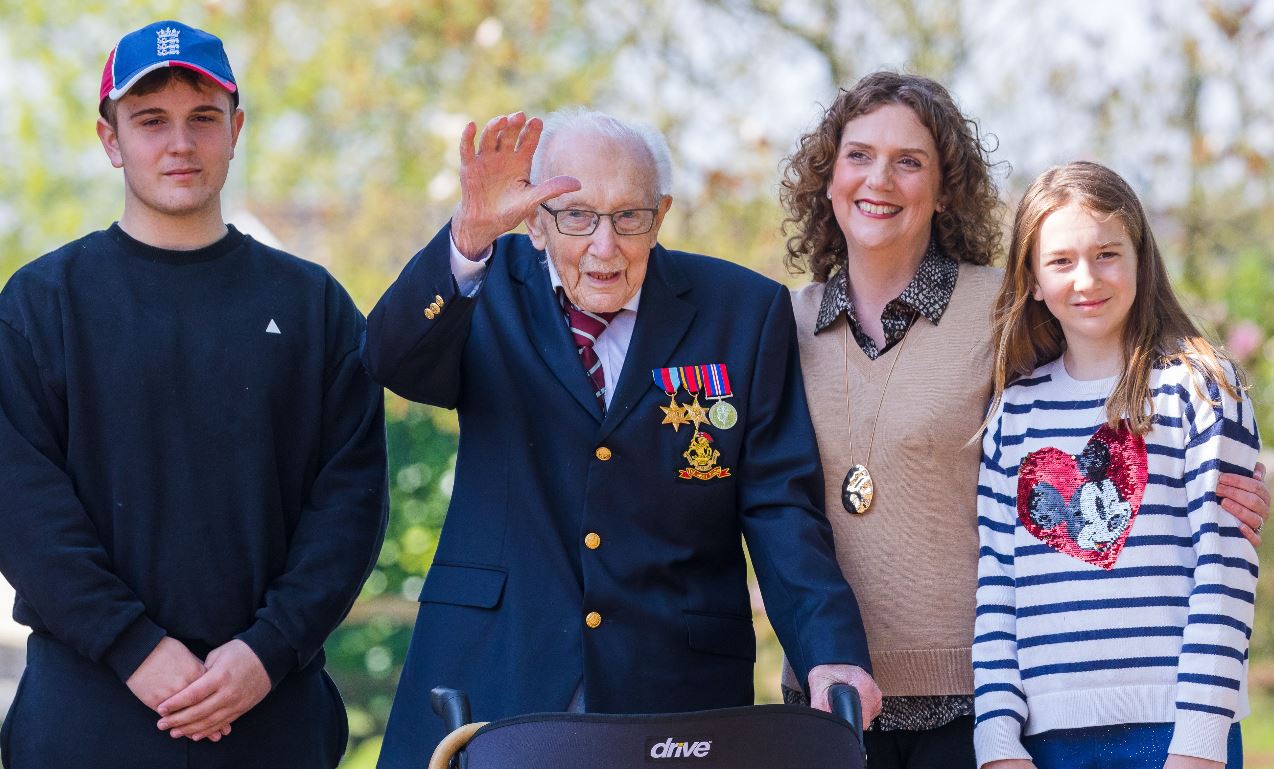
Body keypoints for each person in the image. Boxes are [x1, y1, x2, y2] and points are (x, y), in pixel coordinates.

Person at [362, 108, 880, 768]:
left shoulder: (743, 310)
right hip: (497, 673)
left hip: (674, 690)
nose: (604, 246)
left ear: (661, 214)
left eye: (628, 216)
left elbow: (779, 505)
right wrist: (465, 239)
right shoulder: (484, 282)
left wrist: (830, 650)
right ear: (536, 220)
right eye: (577, 216)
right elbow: (389, 359)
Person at [779, 72, 1268, 769]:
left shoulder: (1000, 311)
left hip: (976, 707)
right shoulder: (783, 325)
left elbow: (1107, 370)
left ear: (945, 186)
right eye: (858, 155)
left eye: (910, 160)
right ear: (827, 176)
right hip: (837, 696)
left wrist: (1232, 483)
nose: (879, 179)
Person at [0, 21, 388, 769]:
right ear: (110, 139)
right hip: (88, 714)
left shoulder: (314, 307)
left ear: (235, 131)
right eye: (150, 121)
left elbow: (350, 503)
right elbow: (22, 505)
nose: (180, 143)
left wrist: (267, 649)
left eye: (202, 118)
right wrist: (133, 646)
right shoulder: (42, 305)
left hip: (272, 710)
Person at [973, 161, 1257, 769]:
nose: (1086, 279)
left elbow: (1225, 569)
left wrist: (1199, 742)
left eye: (1107, 254)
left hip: (1175, 728)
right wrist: (996, 740)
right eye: (1061, 261)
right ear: (1030, 278)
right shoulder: (1013, 411)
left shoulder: (1200, 387)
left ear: (1140, 257)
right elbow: (997, 584)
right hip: (1044, 740)